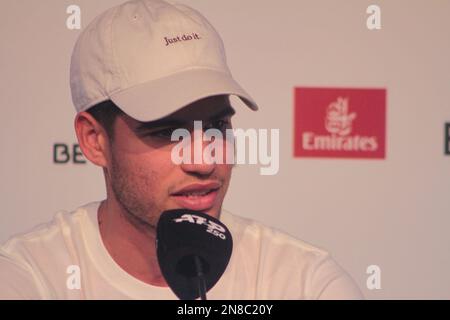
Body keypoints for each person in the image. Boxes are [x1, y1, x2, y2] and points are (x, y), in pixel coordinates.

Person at [0, 0, 363, 299]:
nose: (205, 161)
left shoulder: (304, 283)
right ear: (94, 140)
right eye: (167, 133)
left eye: (218, 126)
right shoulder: (30, 278)